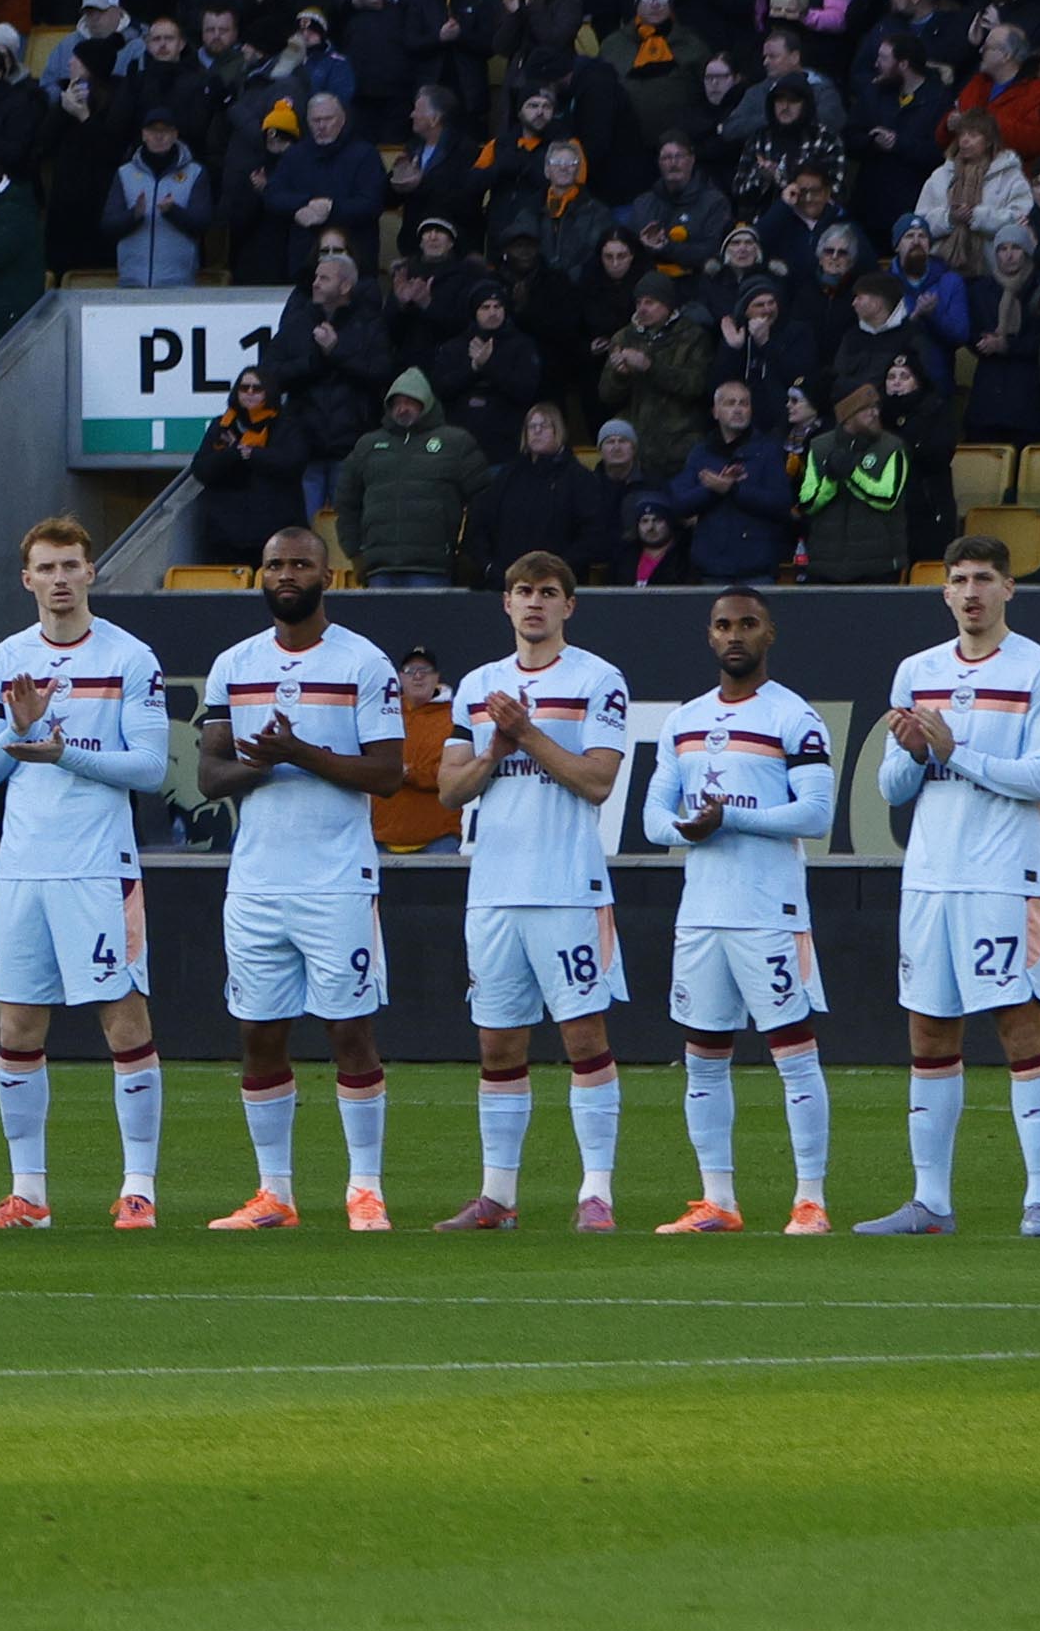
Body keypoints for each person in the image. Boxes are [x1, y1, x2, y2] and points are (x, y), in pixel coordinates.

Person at [0, 510, 170, 1228]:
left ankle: (137, 1186)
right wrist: (21, 727)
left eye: (69, 565)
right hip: (23, 869)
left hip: (96, 866)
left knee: (122, 1021)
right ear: (26, 579)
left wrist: (63, 752)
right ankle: (28, 1194)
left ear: (90, 571)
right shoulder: (2, 660)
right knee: (18, 1026)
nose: (58, 579)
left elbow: (148, 767)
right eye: (44, 568)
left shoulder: (129, 657)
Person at [198, 523, 402, 1234]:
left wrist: (299, 751)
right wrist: (266, 761)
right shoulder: (232, 664)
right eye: (273, 562)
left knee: (349, 1029)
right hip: (255, 881)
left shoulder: (363, 662)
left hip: (336, 878)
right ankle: (273, 1193)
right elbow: (210, 772)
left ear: (327, 576)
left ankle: (364, 1188)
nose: (284, 573)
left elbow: (386, 772)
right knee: (258, 1031)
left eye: (298, 563)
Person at [866, 545, 1040, 1237]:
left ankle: (1039, 1198)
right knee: (927, 1032)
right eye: (957, 580)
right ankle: (930, 1203)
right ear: (943, 593)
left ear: (1008, 587)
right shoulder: (915, 670)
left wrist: (956, 752)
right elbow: (890, 788)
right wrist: (915, 751)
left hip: (1001, 878)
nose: (969, 591)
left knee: (1019, 1029)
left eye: (983, 578)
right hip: (928, 876)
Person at [433, 550, 638, 1236]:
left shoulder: (598, 679)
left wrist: (525, 732)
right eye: (521, 591)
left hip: (566, 887)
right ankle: (496, 1195)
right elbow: (448, 788)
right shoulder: (476, 685)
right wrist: (494, 749)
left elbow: (596, 780)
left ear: (567, 605)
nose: (533, 603)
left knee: (583, 1035)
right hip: (492, 889)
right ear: (505, 603)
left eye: (547, 592)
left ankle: (596, 1192)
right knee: (497, 1045)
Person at [646, 585, 846, 1236]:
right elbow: (653, 818)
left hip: (769, 909)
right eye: (722, 624)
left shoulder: (795, 717)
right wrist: (690, 830)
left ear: (768, 633)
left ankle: (809, 1199)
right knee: (703, 1053)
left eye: (747, 624)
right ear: (709, 635)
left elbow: (815, 814)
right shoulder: (682, 720)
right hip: (701, 912)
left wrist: (726, 817)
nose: (734, 634)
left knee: (792, 1050)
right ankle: (717, 1200)